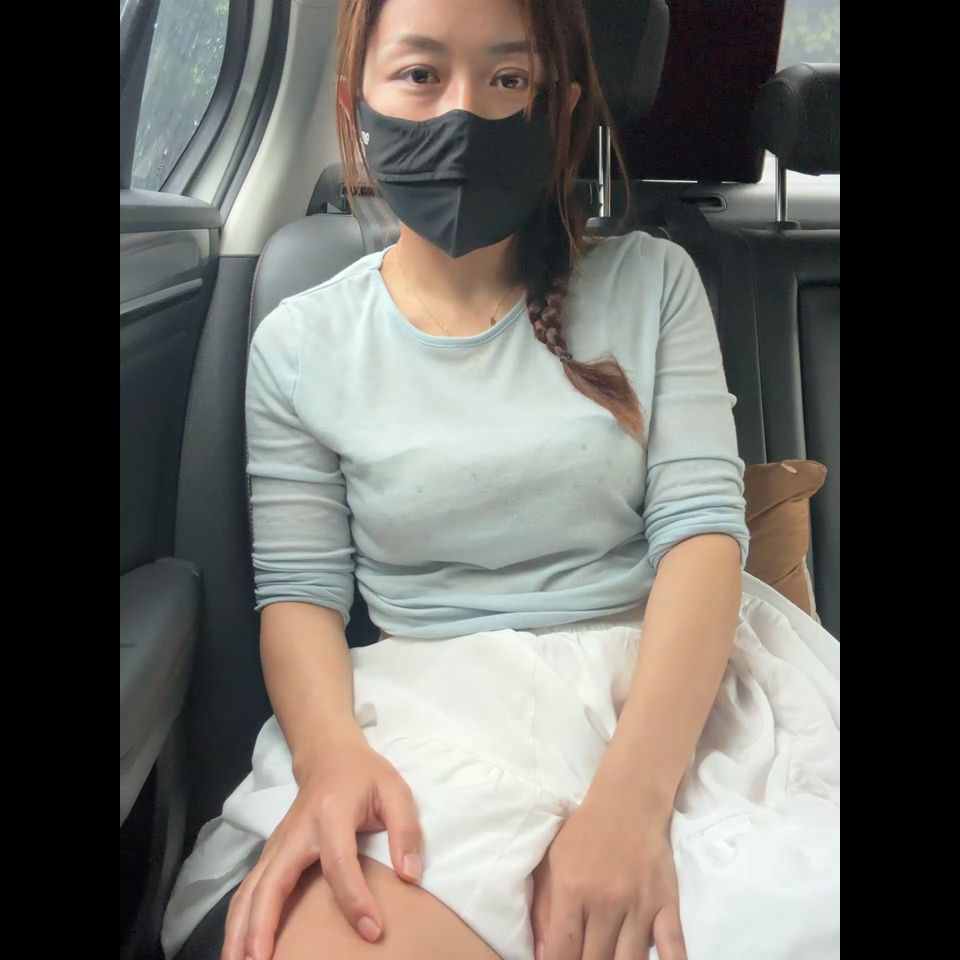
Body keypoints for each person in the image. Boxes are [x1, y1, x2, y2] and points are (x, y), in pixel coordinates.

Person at [160, 1, 840, 958]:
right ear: (356, 103)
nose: (463, 113)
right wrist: (331, 756)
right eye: (420, 74)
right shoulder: (300, 343)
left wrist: (629, 803)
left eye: (508, 80)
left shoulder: (655, 283)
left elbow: (700, 540)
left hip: (671, 695)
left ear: (559, 109)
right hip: (427, 712)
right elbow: (302, 594)